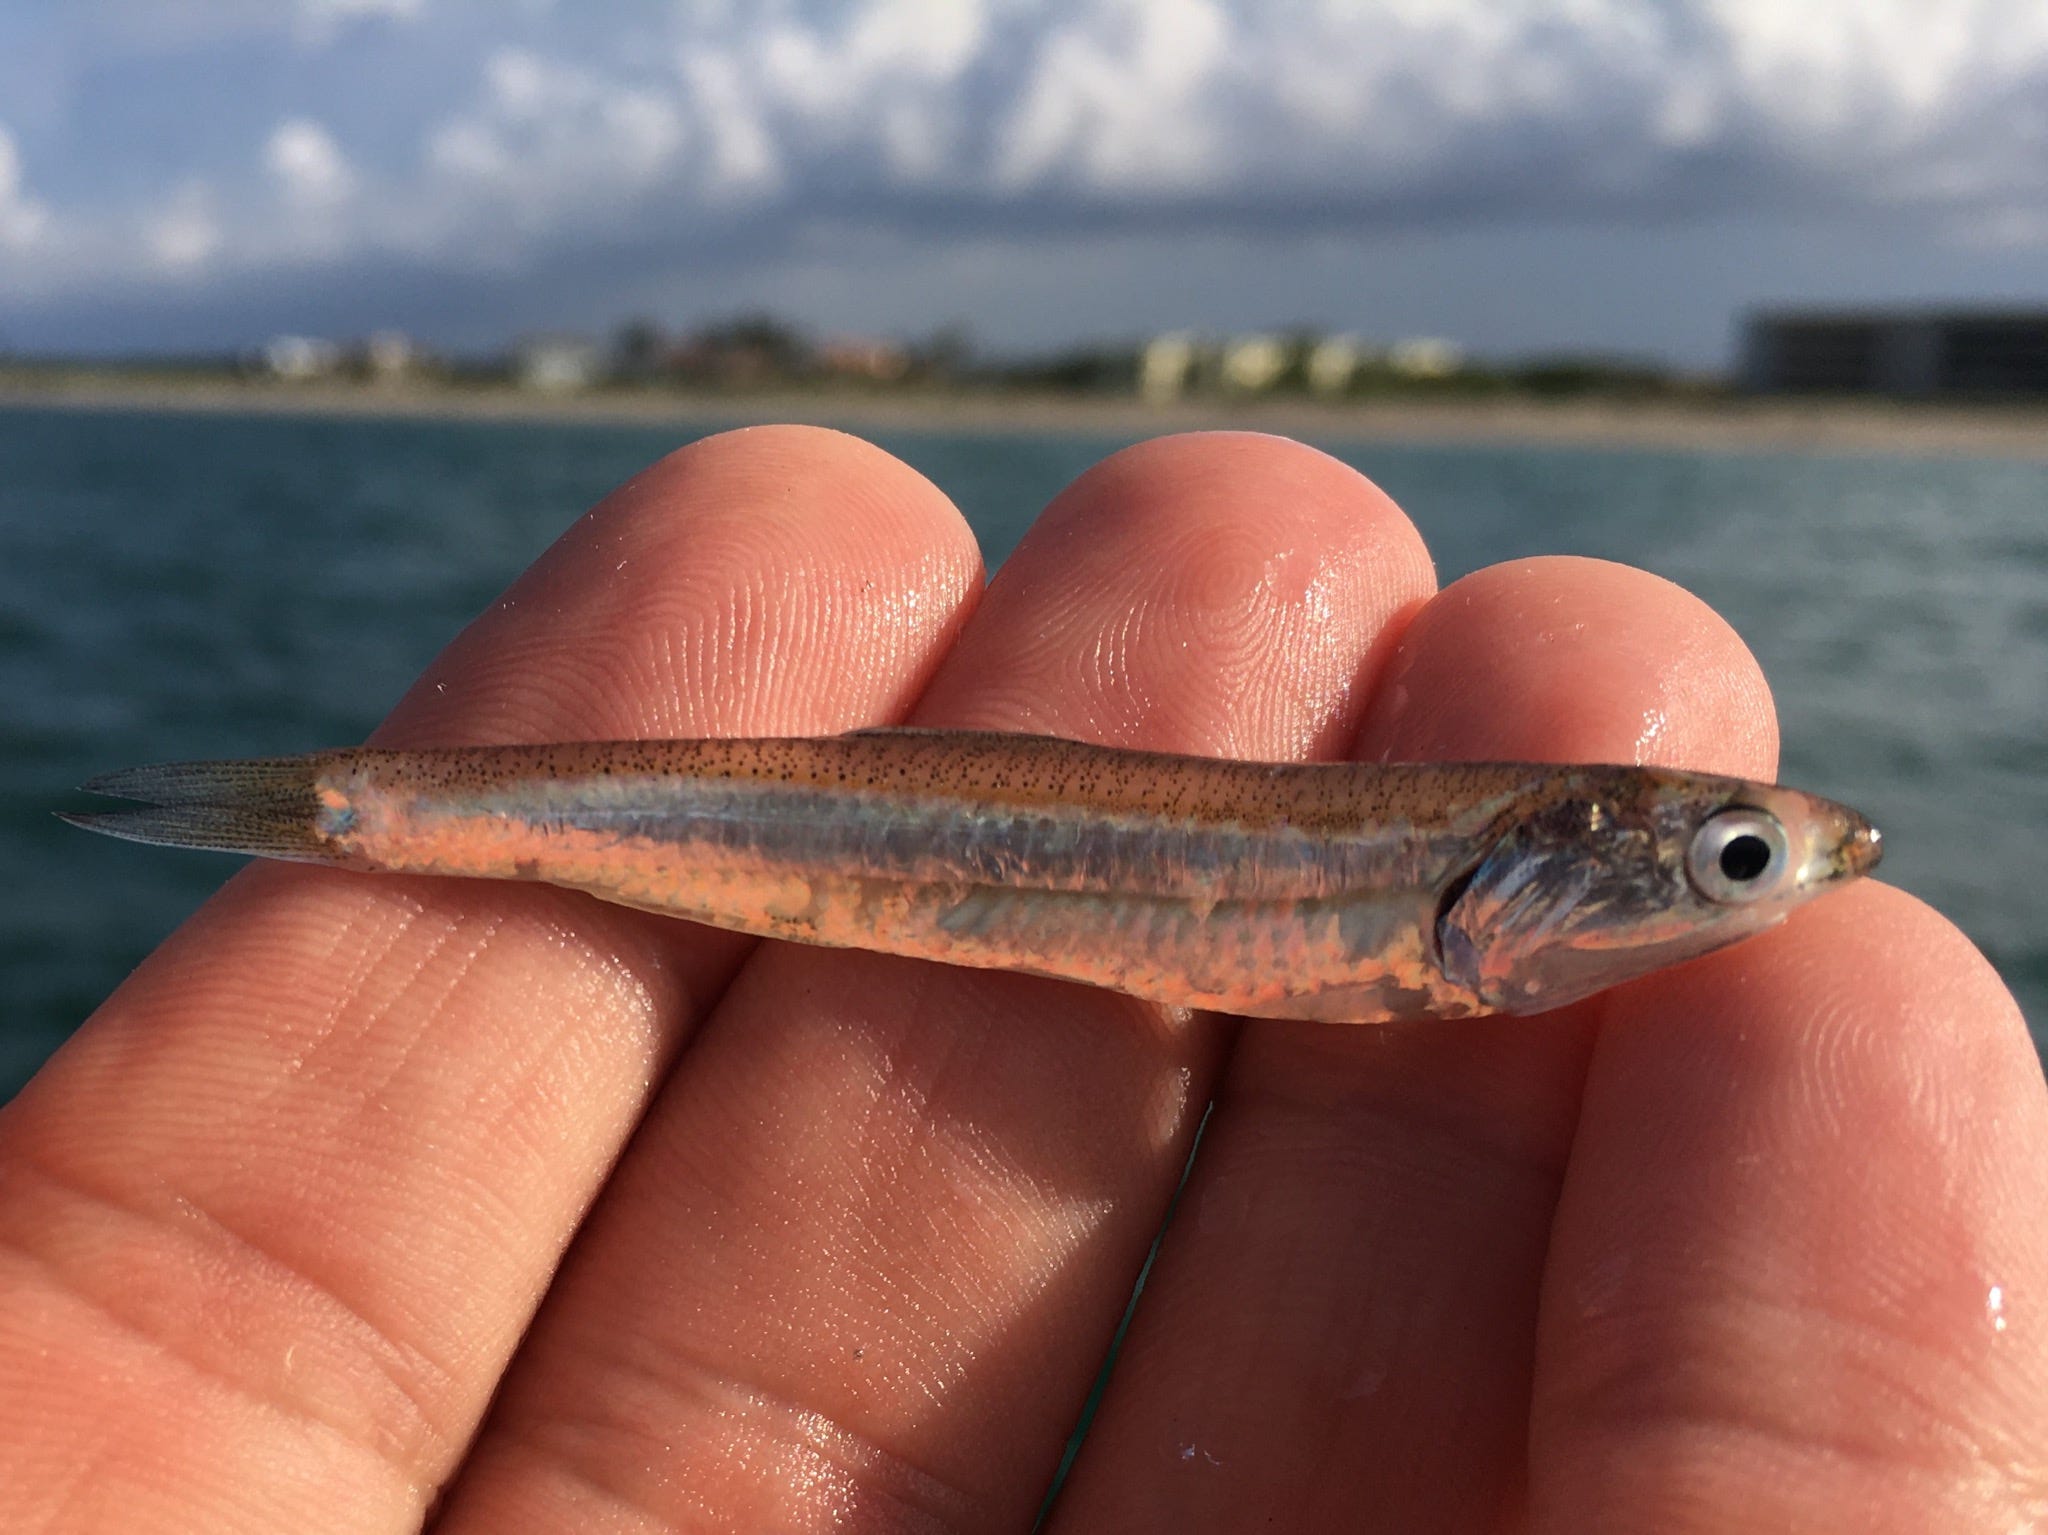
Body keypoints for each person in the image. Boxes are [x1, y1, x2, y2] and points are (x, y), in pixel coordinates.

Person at [2, 428, 2041, 1532]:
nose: (1762, 890)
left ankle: (347, 806)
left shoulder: (1451, 939)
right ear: (1538, 867)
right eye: (1734, 864)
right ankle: (349, 808)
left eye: (1743, 865)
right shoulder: (1436, 936)